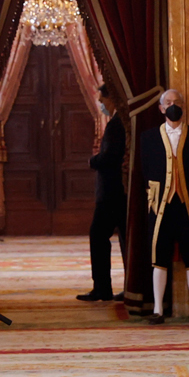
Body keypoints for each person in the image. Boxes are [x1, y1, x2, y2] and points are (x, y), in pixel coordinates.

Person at [138, 88, 189, 324]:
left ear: (183, 106)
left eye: (176, 102)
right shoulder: (148, 138)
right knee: (159, 255)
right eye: (168, 102)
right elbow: (145, 169)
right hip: (160, 206)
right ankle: (158, 309)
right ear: (161, 108)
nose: (172, 106)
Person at [79, 82, 127, 303]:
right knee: (124, 240)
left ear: (113, 99)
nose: (100, 104)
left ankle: (102, 288)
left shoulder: (117, 124)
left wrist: (92, 161)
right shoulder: (118, 122)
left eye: (102, 100)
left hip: (112, 194)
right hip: (117, 193)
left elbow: (110, 157)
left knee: (98, 236)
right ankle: (114, 287)